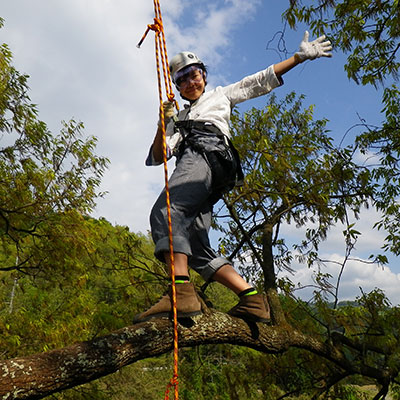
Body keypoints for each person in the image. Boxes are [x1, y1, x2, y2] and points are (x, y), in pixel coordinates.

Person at [134, 31, 332, 323]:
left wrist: (299, 57)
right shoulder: (177, 120)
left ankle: (181, 293)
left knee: (166, 211)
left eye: (194, 74)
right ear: (177, 87)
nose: (190, 82)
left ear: (203, 74)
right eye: (182, 80)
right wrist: (163, 124)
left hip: (204, 155)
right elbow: (158, 157)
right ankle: (252, 300)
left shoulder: (219, 96)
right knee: (195, 244)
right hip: (210, 172)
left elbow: (256, 82)